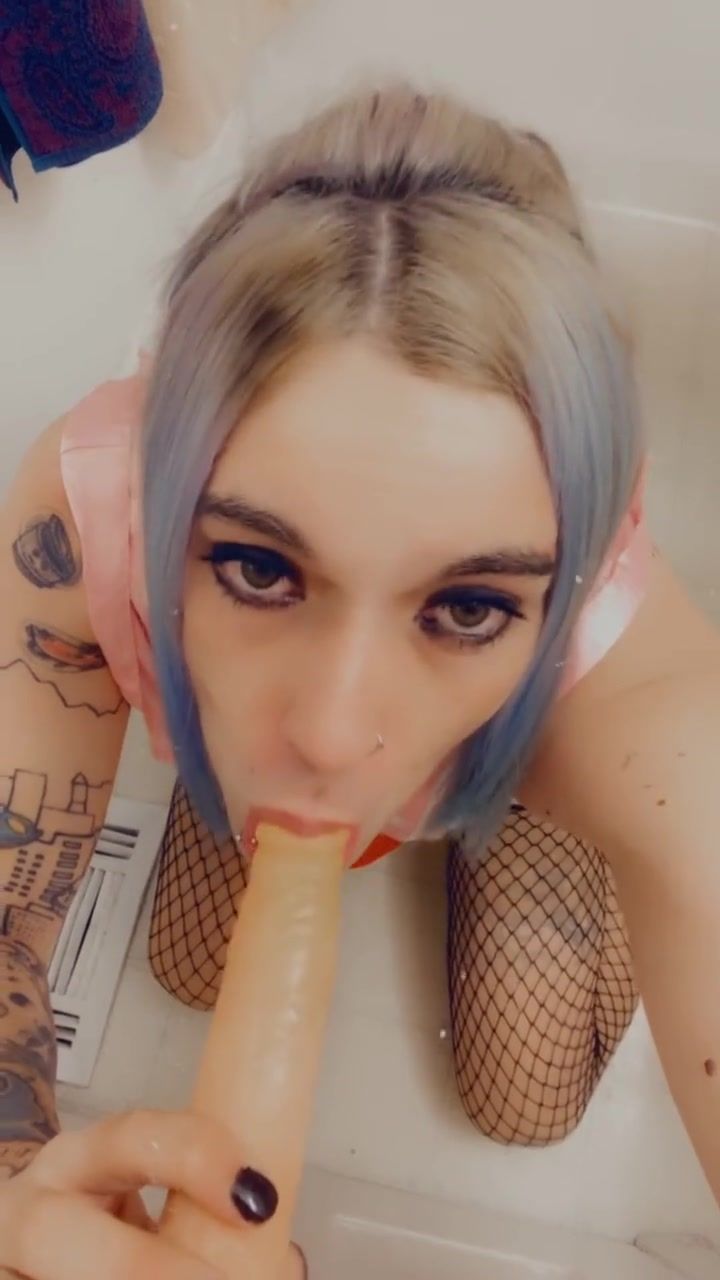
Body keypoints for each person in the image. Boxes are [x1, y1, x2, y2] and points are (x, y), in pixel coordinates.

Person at [0, 83, 718, 1278]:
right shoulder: (85, 523)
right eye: (256, 566)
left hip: (524, 762)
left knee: (525, 1087)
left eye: (470, 604)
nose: (333, 734)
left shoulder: (633, 683)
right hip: (246, 759)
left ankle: (521, 811)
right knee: (185, 966)